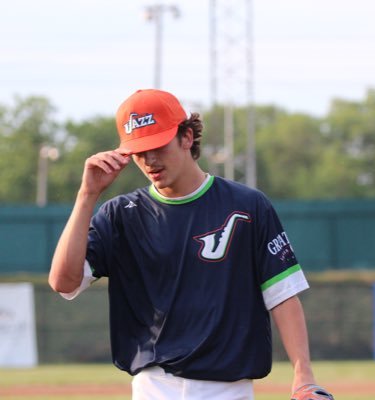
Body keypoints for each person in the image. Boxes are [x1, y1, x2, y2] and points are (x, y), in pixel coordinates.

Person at [48, 89, 333, 400]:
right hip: (152, 388)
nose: (150, 160)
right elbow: (64, 282)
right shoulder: (120, 215)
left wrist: (303, 374)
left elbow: (282, 294)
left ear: (186, 137)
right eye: (139, 152)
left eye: (158, 145)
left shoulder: (248, 205)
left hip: (230, 390)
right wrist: (87, 196)